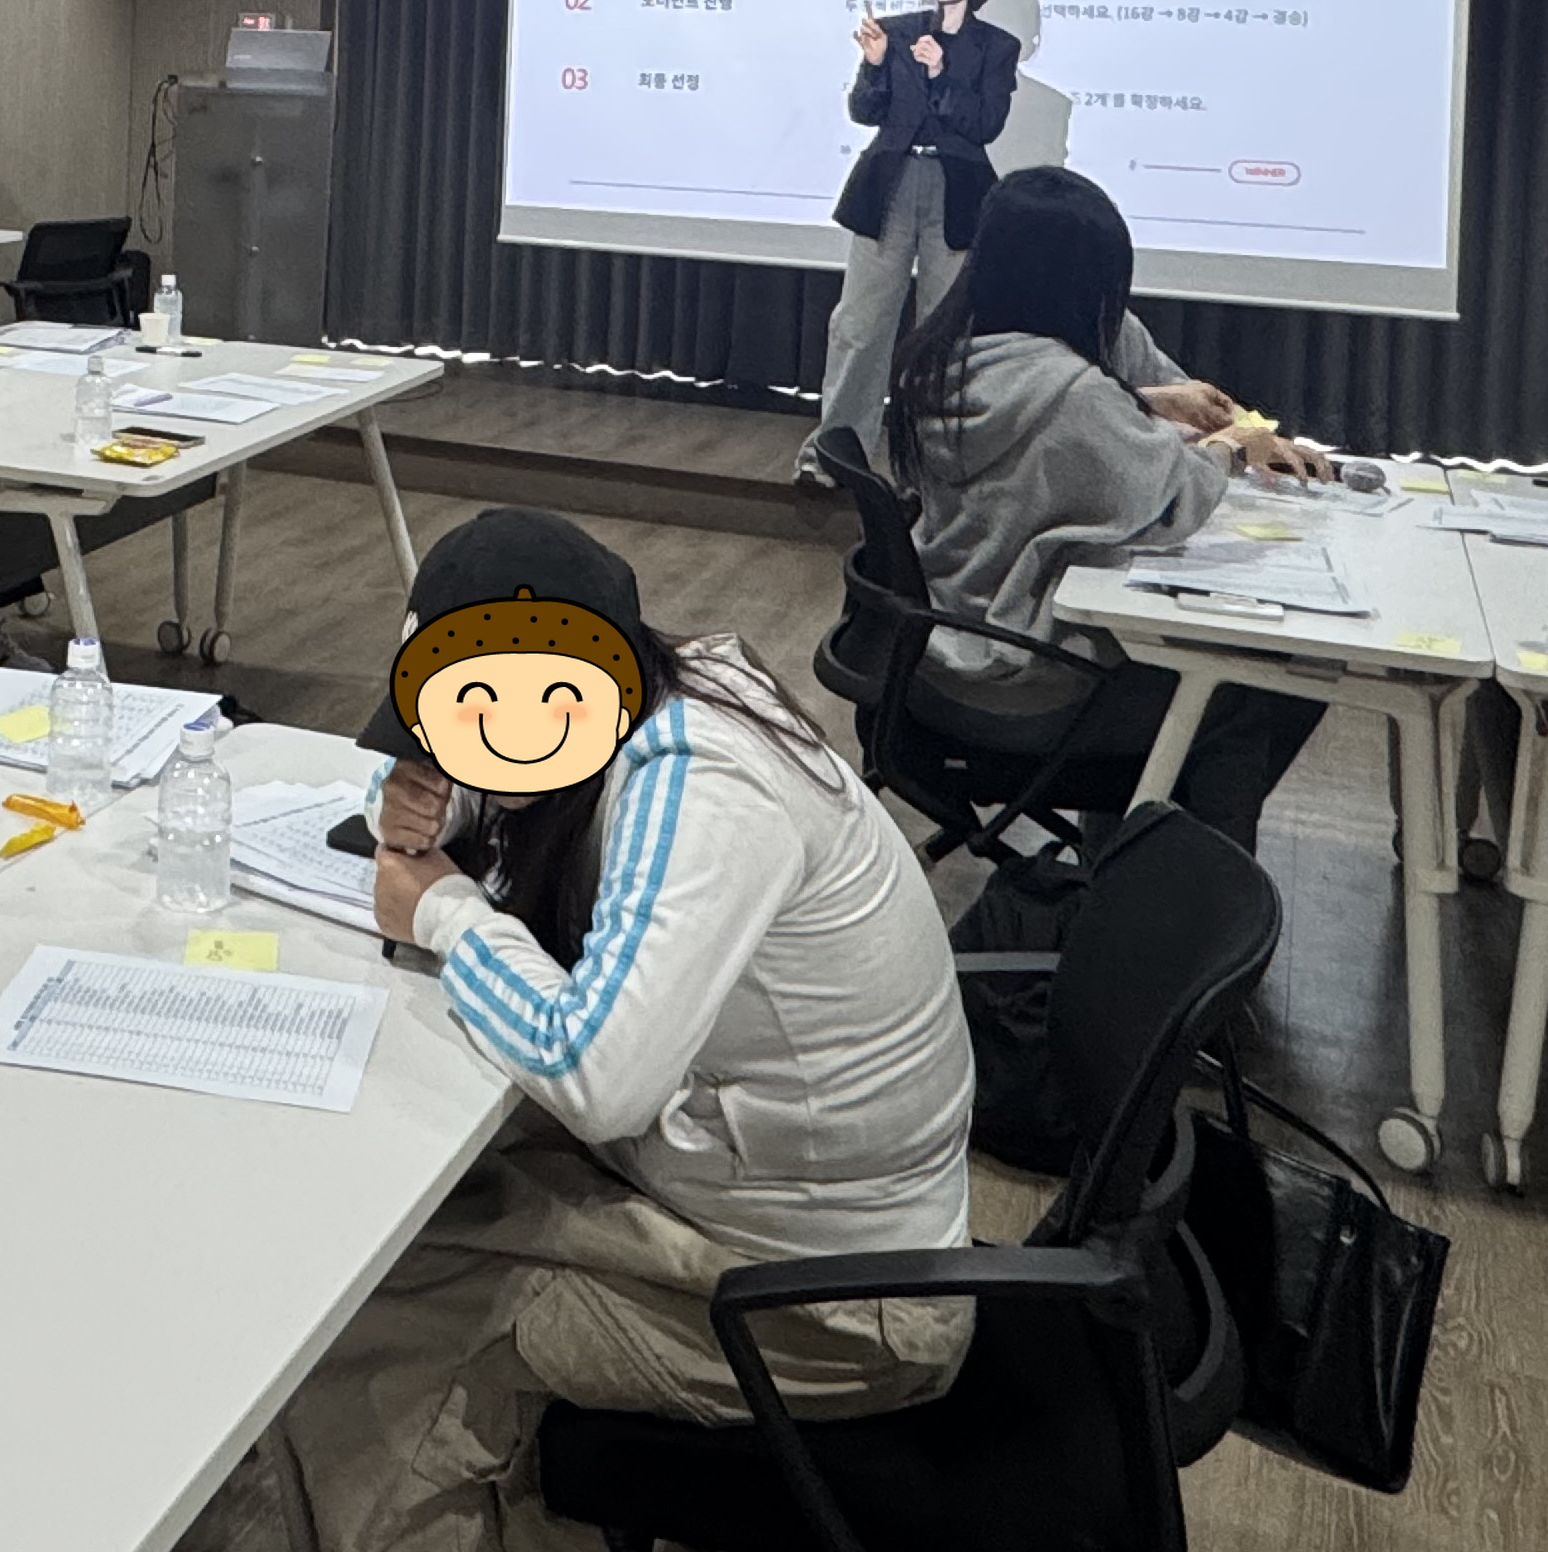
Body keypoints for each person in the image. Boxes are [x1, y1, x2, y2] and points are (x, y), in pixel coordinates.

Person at [200, 511, 975, 1552]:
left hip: (837, 1310)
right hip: (762, 1203)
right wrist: (448, 812)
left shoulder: (704, 784)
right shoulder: (669, 691)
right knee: (381, 1220)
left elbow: (602, 1078)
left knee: (369, 1324)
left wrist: (442, 911)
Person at [881, 166, 1332, 851]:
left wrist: (1153, 405)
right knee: (1264, 686)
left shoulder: (941, 357)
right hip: (1029, 679)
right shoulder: (1072, 394)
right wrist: (1232, 446)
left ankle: (1127, 847)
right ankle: (1181, 883)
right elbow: (1170, 500)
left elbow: (1085, 426)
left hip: (943, 649)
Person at [804, 0, 1019, 474]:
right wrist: (875, 64)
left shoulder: (997, 47)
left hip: (957, 191)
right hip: (889, 185)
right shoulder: (896, 31)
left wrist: (940, 73)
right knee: (859, 323)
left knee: (943, 331)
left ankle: (933, 463)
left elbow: (985, 125)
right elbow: (865, 112)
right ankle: (836, 452)